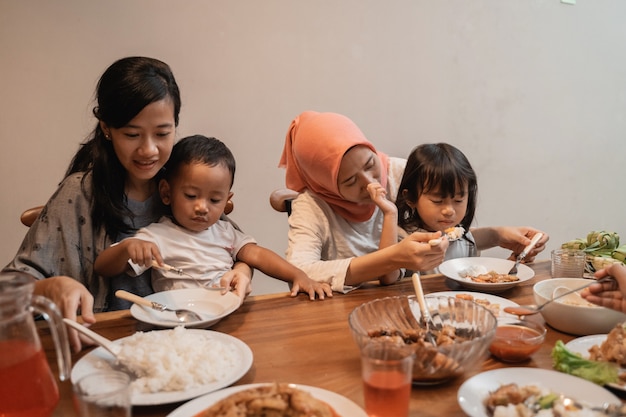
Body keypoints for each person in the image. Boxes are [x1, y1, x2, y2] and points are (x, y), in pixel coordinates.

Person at [3, 57, 252, 352]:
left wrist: (243, 271)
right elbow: (8, 287)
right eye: (132, 135)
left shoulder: (183, 185)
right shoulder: (81, 193)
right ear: (107, 128)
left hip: (192, 343)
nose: (148, 150)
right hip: (105, 347)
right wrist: (49, 288)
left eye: (162, 133)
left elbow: (236, 248)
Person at [95, 135, 333, 300]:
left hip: (227, 312)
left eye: (214, 200)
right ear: (166, 193)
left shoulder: (225, 232)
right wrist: (128, 248)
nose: (202, 207)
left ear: (227, 200)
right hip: (179, 323)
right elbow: (102, 267)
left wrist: (298, 276)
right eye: (191, 195)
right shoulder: (156, 237)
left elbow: (258, 255)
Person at [278, 111, 449, 293]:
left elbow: (452, 208)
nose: (369, 183)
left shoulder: (401, 174)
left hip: (412, 297)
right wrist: (391, 258)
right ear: (326, 183)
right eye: (351, 181)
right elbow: (299, 270)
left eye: (370, 164)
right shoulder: (312, 206)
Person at [395, 143, 549, 271]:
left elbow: (470, 279)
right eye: (437, 201)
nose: (449, 210)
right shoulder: (403, 238)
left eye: (458, 200)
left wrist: (514, 261)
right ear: (410, 198)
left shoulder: (464, 239)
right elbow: (389, 278)